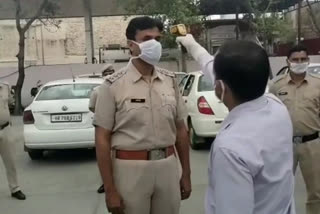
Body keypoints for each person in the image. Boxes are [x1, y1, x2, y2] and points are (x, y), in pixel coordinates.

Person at [177, 35, 295, 214]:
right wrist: (190, 43)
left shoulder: (231, 148)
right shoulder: (277, 106)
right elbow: (209, 64)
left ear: (220, 88)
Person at [93, 17, 191, 214]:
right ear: (131, 45)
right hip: (130, 169)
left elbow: (181, 130)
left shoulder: (170, 81)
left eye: (157, 38)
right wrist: (110, 189)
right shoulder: (112, 85)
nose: (154, 44)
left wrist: (186, 174)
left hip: (167, 167)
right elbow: (102, 139)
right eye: (147, 38)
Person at [270, 45, 320, 214]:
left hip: (312, 144)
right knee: (279, 189)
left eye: (303, 59)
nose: (299, 62)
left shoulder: (317, 85)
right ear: (288, 62)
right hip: (284, 145)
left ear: (308, 60)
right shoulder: (276, 86)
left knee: (316, 191)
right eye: (295, 60)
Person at [89, 64, 115, 193]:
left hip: (108, 126)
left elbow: (92, 107)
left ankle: (106, 183)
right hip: (113, 127)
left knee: (106, 154)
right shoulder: (100, 90)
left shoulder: (97, 90)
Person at [0, 82, 26, 200]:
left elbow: (10, 102)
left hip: (5, 128)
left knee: (10, 162)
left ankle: (15, 189)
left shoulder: (5, 86)